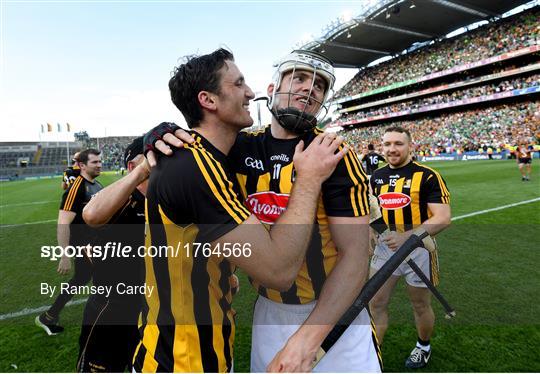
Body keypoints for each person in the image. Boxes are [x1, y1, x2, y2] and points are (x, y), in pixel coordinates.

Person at [145, 50, 380, 373]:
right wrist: (160, 132)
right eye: (298, 77)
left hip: (332, 314)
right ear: (271, 90)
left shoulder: (334, 154)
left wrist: (308, 340)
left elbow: (356, 257)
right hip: (269, 310)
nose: (310, 88)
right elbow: (199, 140)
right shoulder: (237, 147)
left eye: (320, 87)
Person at [369, 126, 451, 369]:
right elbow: (373, 213)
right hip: (385, 249)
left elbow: (443, 217)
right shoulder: (377, 177)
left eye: (398, 144)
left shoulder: (427, 176)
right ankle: (373, 354)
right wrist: (370, 230)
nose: (392, 149)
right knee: (376, 303)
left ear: (410, 146)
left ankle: (423, 346)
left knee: (420, 304)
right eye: (387, 144)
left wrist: (406, 236)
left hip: (418, 249)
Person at [76, 137, 148, 372]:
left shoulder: (165, 202)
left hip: (149, 312)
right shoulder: (117, 202)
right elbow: (87, 245)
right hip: (111, 311)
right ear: (133, 167)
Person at [36, 149, 103, 335]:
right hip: (83, 246)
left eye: (99, 161)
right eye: (94, 162)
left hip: (96, 244)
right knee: (105, 276)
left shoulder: (97, 184)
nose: (99, 164)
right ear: (82, 166)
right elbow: (63, 222)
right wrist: (64, 255)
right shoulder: (77, 188)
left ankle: (48, 317)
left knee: (81, 279)